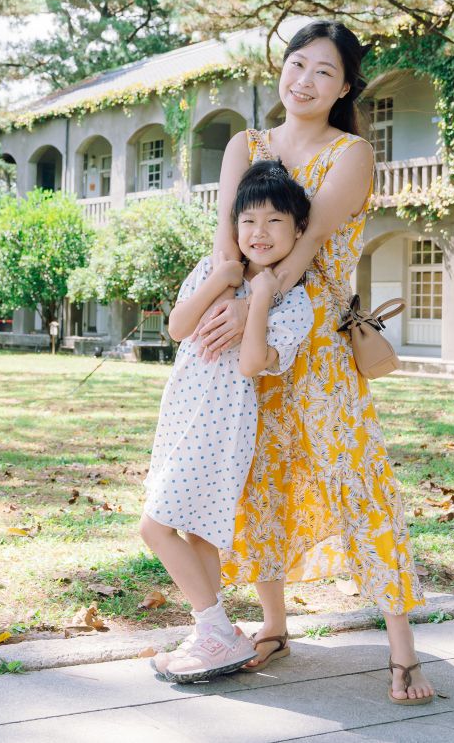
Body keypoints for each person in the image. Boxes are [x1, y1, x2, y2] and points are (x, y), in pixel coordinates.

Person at [192, 19, 435, 705]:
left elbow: (307, 248)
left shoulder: (351, 152)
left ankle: (403, 651)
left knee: (357, 476)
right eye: (297, 64)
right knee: (258, 474)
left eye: (323, 71)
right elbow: (225, 241)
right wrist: (233, 300)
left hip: (320, 336)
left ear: (345, 86)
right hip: (248, 335)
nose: (304, 80)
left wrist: (257, 300)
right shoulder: (247, 143)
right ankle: (272, 626)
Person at [140, 160, 314, 683]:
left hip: (224, 425)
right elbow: (176, 327)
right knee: (195, 534)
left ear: (299, 230)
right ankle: (212, 636)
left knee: (154, 526)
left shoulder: (293, 302)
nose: (258, 233)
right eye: (248, 221)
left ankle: (216, 628)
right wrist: (220, 277)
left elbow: (250, 362)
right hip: (183, 412)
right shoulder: (217, 266)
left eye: (274, 222)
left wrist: (259, 299)